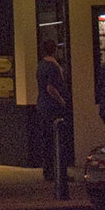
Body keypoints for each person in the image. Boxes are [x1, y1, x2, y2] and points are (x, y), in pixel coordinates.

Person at [35, 39, 69, 181]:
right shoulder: (53, 66)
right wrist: (61, 100)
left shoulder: (40, 65)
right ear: (54, 50)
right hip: (52, 106)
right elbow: (50, 87)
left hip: (42, 104)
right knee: (57, 139)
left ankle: (48, 170)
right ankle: (58, 173)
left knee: (46, 139)